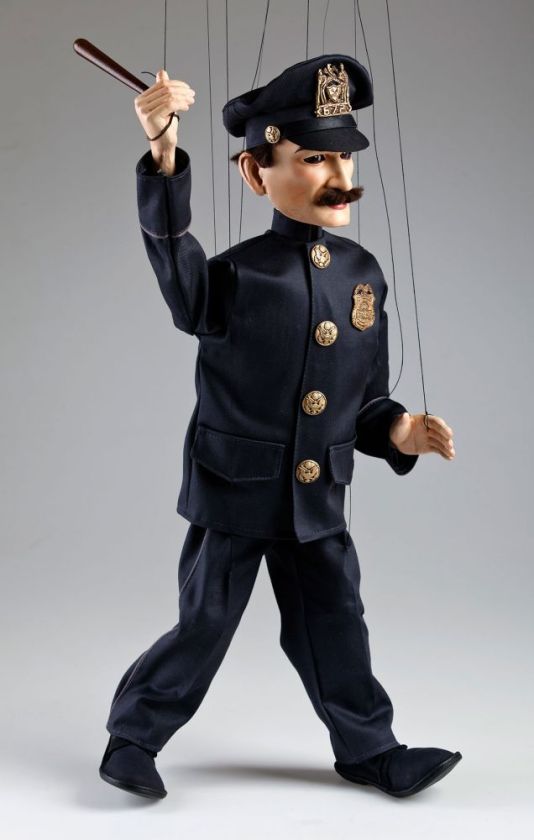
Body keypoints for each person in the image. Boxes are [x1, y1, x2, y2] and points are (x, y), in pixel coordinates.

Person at [99, 54, 461, 800]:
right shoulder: (236, 276)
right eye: (313, 158)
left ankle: (370, 749)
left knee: (337, 622)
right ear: (255, 173)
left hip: (318, 496)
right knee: (205, 623)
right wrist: (164, 153)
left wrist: (401, 431)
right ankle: (133, 737)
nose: (338, 175)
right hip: (236, 487)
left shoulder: (363, 274)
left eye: (343, 156)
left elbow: (366, 398)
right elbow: (175, 262)